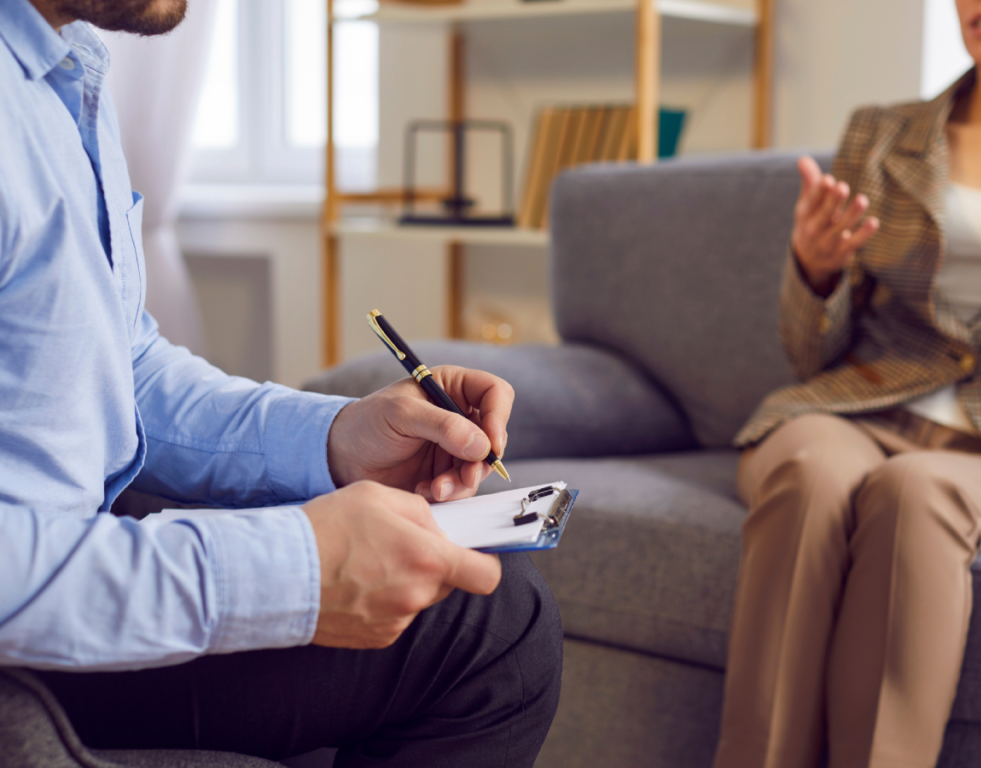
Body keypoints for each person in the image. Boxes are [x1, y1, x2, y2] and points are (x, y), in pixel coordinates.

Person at [0, 0, 561, 764]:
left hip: (75, 544)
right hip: (28, 638)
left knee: (470, 591)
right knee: (490, 629)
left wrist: (335, 438)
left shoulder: (65, 72)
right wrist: (292, 570)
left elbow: (120, 366)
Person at [713, 2, 981, 768]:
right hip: (858, 404)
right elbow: (810, 356)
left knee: (917, 495)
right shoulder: (882, 135)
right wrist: (814, 272)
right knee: (810, 472)